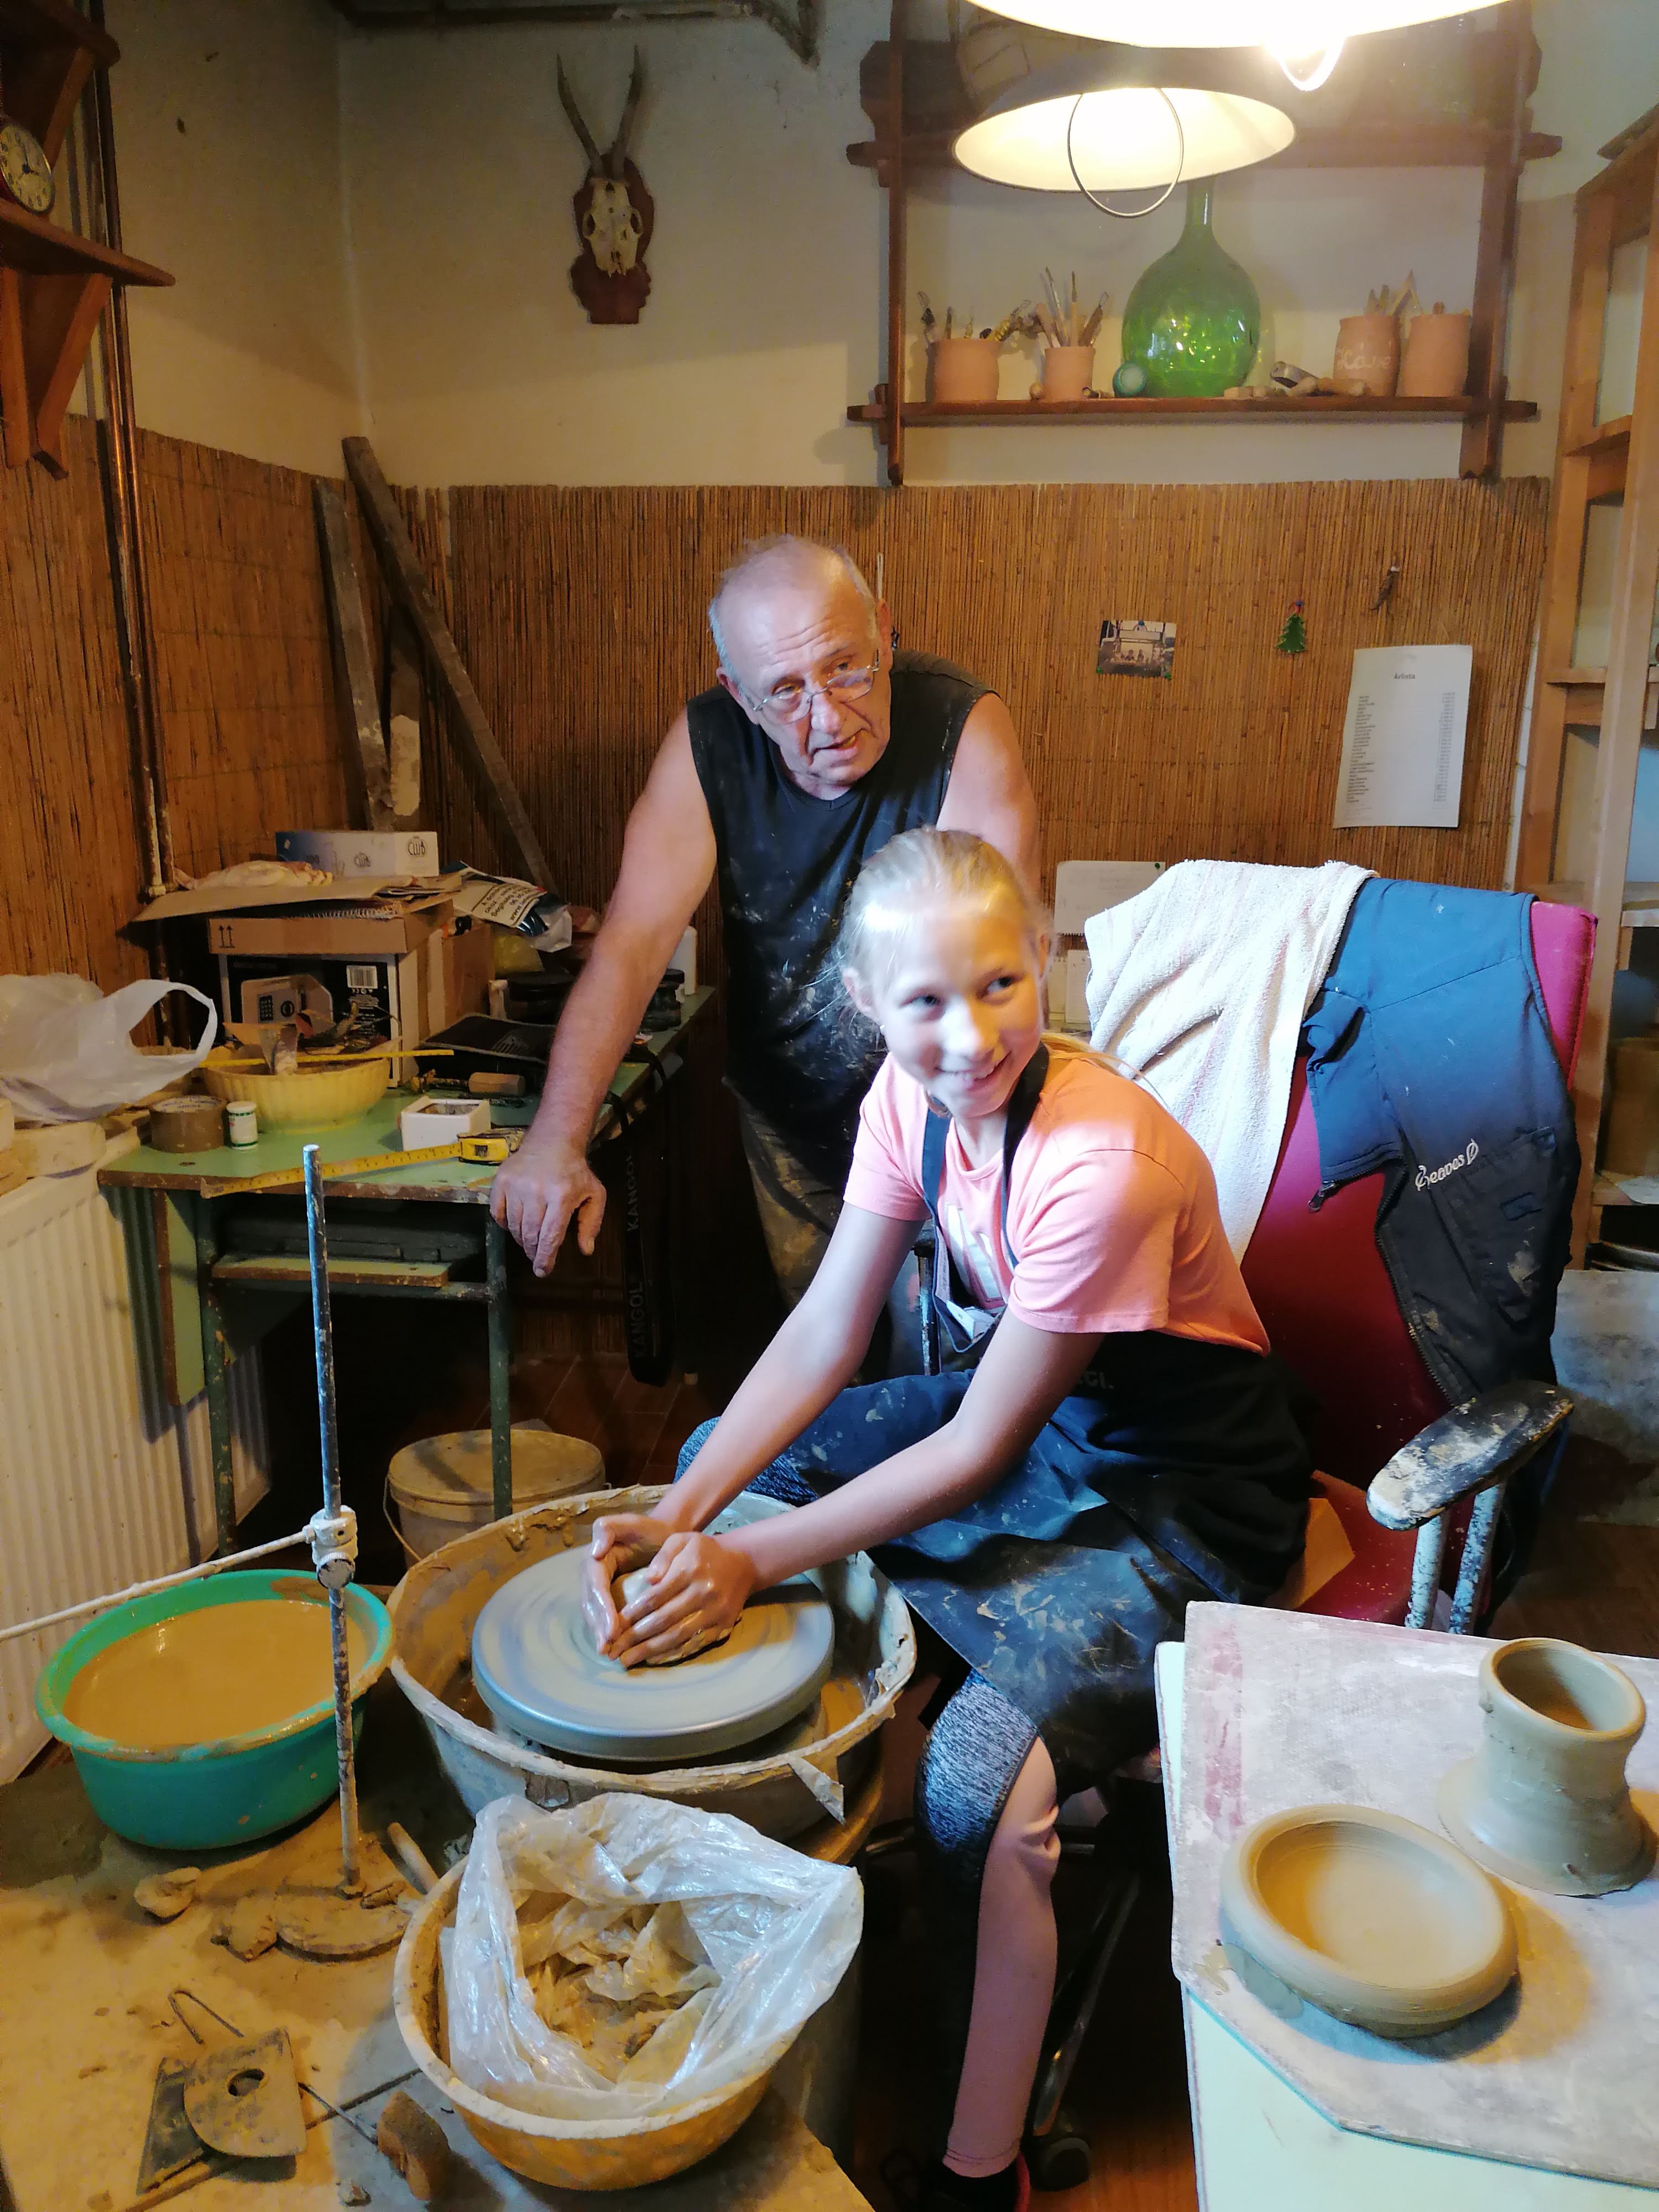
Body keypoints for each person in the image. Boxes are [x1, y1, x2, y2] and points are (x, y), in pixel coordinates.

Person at [578, 828, 1312, 2212]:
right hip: (1038, 1417)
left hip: (1180, 1486)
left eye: (998, 985)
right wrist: (676, 1515)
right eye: (926, 1000)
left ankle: (986, 2169)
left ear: (1041, 960)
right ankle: (814, 1842)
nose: (970, 1036)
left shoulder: (1101, 1161)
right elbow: (823, 1331)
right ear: (869, 1002)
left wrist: (744, 1562)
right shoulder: (905, 1101)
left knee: (981, 1778)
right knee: (724, 1461)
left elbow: (979, 1450)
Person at [491, 536, 1037, 1304]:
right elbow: (632, 946)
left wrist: (954, 1154)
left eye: (847, 667)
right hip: (788, 1111)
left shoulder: (962, 728)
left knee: (941, 1348)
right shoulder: (708, 745)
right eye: (784, 691)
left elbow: (993, 962)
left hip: (942, 1102)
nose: (829, 717)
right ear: (740, 697)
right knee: (824, 1336)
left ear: (884, 632)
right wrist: (555, 1140)